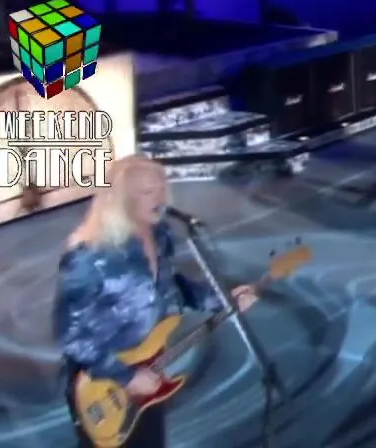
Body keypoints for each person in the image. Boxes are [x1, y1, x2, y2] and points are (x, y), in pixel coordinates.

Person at [54, 155, 259, 447]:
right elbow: (71, 334)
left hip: (148, 366)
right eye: (148, 192)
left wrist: (222, 298)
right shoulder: (88, 255)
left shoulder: (158, 235)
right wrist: (125, 376)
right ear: (122, 201)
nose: (160, 199)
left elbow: (171, 288)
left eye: (161, 189)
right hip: (101, 384)